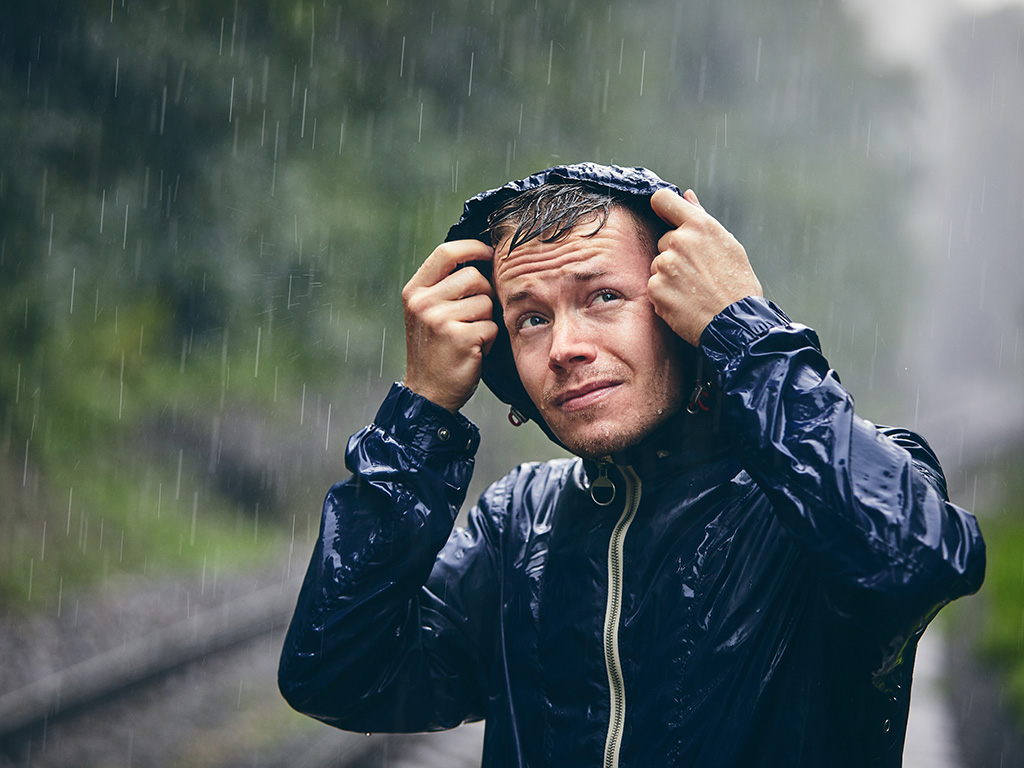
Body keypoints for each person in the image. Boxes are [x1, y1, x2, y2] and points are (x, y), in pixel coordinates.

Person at [278, 163, 985, 767]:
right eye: (530, 318)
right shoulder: (518, 528)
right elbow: (336, 674)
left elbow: (911, 560)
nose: (565, 347)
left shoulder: (815, 500)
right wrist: (422, 417)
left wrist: (745, 329)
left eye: (604, 297)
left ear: (686, 311)